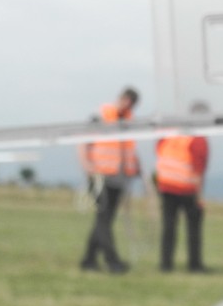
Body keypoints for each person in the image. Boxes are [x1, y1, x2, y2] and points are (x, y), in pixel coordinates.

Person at [78, 86, 140, 274]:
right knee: (104, 219)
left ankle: (88, 260)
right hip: (100, 176)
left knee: (104, 219)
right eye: (126, 100)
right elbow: (83, 141)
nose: (127, 104)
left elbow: (128, 149)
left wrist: (135, 167)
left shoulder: (128, 121)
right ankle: (112, 261)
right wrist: (86, 165)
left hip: (119, 178)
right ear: (121, 98)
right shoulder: (101, 116)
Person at [154, 128, 209, 273]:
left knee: (168, 227)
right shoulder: (197, 139)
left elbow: (159, 153)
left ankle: (166, 264)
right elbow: (198, 169)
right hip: (187, 188)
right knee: (193, 228)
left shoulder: (168, 136)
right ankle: (194, 265)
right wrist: (199, 196)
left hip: (166, 186)